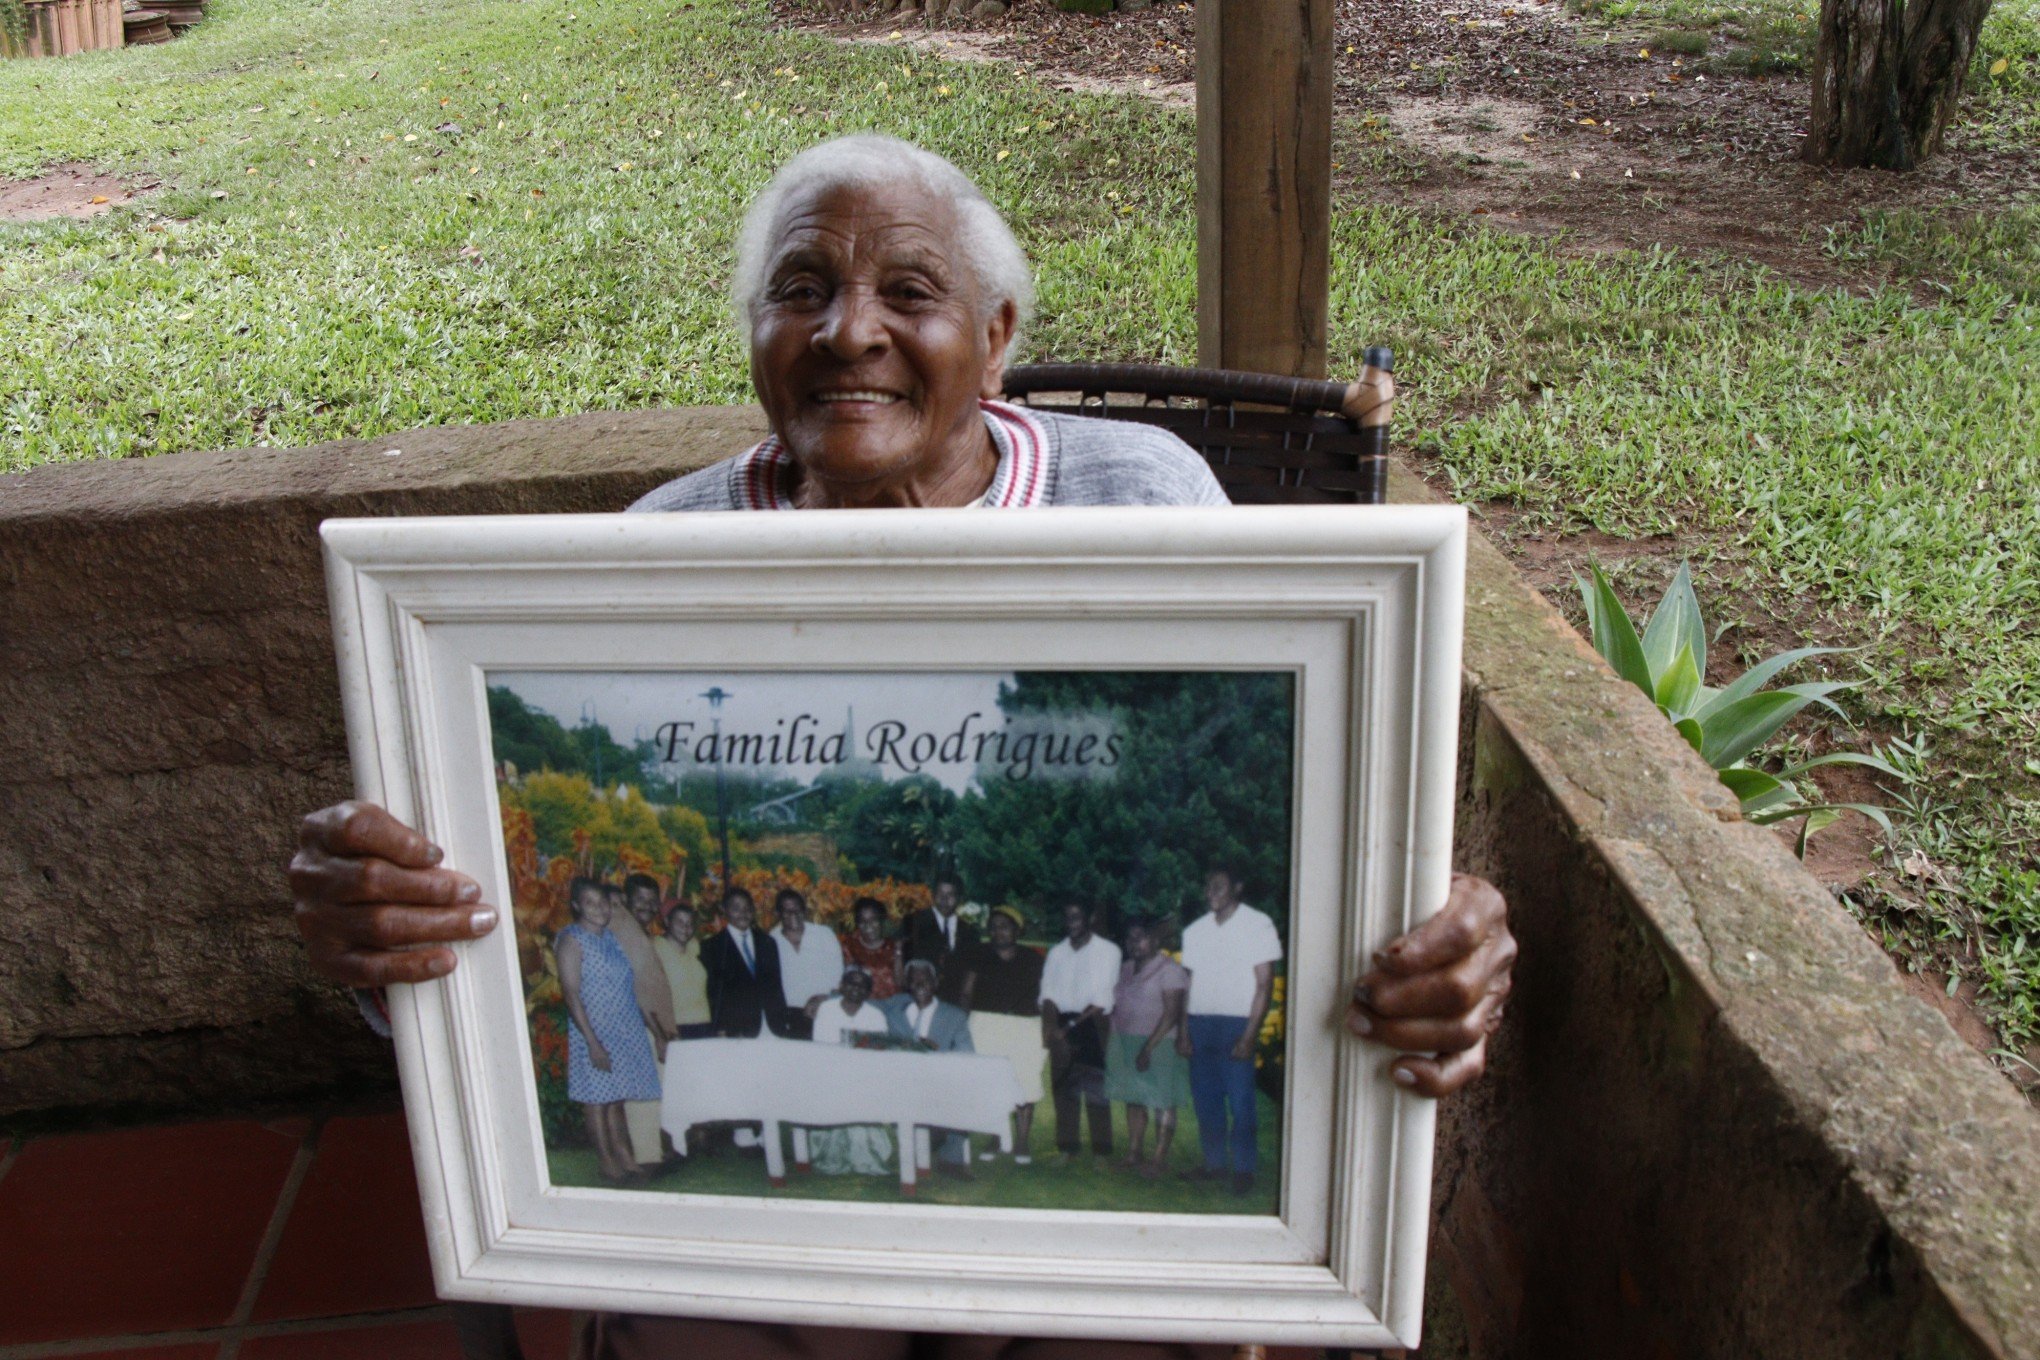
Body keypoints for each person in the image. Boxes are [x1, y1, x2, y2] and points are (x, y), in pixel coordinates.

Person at [288, 133, 1516, 1360]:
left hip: (1078, 1284)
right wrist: (395, 941)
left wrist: (1419, 930)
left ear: (996, 337)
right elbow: (485, 983)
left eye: (909, 293)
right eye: (802, 289)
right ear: (757, 333)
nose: (848, 331)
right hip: (778, 1276)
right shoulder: (657, 551)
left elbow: (1293, 809)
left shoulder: (1144, 498)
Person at [1177, 868, 1283, 1196]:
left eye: (1218, 886)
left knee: (1240, 1102)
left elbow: (1264, 984)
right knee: (1206, 1101)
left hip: (1237, 1024)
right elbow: (1188, 983)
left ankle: (1243, 1169)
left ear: (1237, 887)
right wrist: (1183, 1030)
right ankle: (1214, 1165)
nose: (1210, 892)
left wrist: (1250, 1035)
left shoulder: (1258, 924)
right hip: (1200, 1023)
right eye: (1207, 885)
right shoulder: (1194, 931)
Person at [554, 877, 662, 1187]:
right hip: (594, 1033)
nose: (599, 909)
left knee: (615, 1099)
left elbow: (630, 988)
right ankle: (606, 1162)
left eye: (603, 903)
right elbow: (571, 993)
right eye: (590, 903)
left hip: (622, 1030)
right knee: (597, 1100)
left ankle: (624, 1156)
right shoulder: (572, 939)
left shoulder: (612, 939)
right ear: (577, 906)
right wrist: (592, 1043)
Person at [1104, 917, 1191, 1179]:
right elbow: (1116, 1008)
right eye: (1130, 938)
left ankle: (1158, 1159)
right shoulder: (1126, 968)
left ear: (1154, 940)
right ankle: (1133, 1153)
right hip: (1127, 1040)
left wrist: (1148, 1048)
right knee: (1134, 1098)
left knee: (1162, 1100)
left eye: (1140, 937)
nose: (1134, 943)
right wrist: (1115, 1041)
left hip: (1160, 1043)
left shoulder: (1170, 970)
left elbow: (1172, 1013)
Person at [960, 905, 1047, 1163]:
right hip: (985, 1025)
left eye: (1005, 926)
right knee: (991, 1084)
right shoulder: (979, 955)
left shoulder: (1034, 958)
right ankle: (996, 1137)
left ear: (1017, 930)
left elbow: (1046, 995)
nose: (999, 932)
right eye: (994, 926)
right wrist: (965, 1025)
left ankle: (1021, 1142)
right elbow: (966, 992)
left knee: (1026, 1081)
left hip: (1025, 1027)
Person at [878, 958, 976, 1178]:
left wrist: (937, 1056)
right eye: (914, 980)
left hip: (942, 1083)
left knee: (960, 1094)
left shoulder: (954, 1016)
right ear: (907, 986)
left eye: (926, 980)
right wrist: (824, 999)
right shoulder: (895, 1010)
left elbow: (967, 1054)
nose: (920, 984)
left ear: (935, 983)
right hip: (903, 1085)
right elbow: (862, 1001)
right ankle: (922, 1143)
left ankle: (951, 1160)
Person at [1040, 900, 1121, 1158]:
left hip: (1093, 1022)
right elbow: (1048, 993)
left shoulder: (1109, 951)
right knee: (1063, 1088)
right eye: (1067, 917)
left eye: (1077, 917)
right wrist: (1052, 1028)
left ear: (1091, 917)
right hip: (1061, 1022)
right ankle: (1067, 1147)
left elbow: (1103, 998)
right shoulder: (1056, 952)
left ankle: (1101, 1151)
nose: (1071, 923)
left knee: (1096, 1089)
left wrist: (1070, 1028)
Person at [804, 966, 895, 1177]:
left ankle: (865, 1157)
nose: (856, 988)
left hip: (864, 1079)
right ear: (842, 986)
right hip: (831, 1076)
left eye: (862, 986)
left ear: (868, 992)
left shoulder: (876, 1016)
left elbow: (877, 1056)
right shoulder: (827, 1009)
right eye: (851, 983)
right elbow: (822, 1051)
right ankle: (834, 1156)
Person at [617, 874, 680, 1166]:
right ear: (626, 899)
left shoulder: (638, 931)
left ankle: (653, 1153)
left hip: (650, 1026)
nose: (648, 906)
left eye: (653, 901)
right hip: (640, 1027)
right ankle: (647, 1159)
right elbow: (634, 989)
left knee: (655, 1094)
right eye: (640, 899)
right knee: (642, 1095)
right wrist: (658, 1033)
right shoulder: (623, 930)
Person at [699, 887, 790, 1039]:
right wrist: (721, 1027)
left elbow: (776, 985)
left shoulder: (767, 942)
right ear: (724, 910)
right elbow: (715, 992)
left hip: (773, 1027)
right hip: (738, 1030)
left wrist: (784, 1020)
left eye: (748, 908)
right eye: (736, 908)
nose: (743, 913)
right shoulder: (712, 947)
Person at [770, 888, 843, 1041]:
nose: (793, 915)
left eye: (798, 910)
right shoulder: (770, 940)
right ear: (778, 913)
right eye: (787, 911)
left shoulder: (824, 934)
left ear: (805, 911)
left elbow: (838, 976)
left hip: (825, 1010)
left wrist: (823, 999)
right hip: (788, 1018)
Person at [902, 874, 978, 1006]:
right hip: (920, 998)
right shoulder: (914, 922)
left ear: (960, 898)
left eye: (950, 895)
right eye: (940, 894)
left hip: (954, 1001)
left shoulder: (969, 932)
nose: (944, 899)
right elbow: (906, 963)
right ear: (933, 895)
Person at [650, 902, 714, 1041]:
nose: (685, 928)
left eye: (690, 923)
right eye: (679, 922)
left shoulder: (695, 946)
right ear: (667, 921)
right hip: (676, 1027)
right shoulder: (656, 948)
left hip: (703, 1023)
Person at [841, 895, 904, 1000]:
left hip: (892, 1005)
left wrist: (898, 952)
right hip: (862, 1004)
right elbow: (847, 982)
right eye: (862, 921)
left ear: (881, 920)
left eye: (873, 920)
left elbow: (900, 983)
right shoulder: (850, 946)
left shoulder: (893, 946)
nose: (868, 925)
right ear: (857, 923)